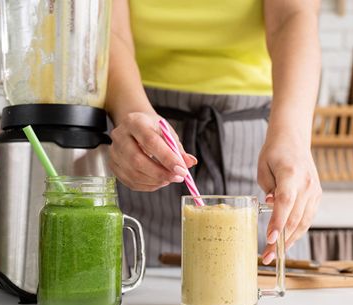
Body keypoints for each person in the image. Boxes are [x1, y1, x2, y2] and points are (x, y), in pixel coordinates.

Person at [105, 0, 322, 266]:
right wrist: (129, 112)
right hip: (143, 134)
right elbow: (109, 29)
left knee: (272, 289)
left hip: (257, 137)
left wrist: (293, 136)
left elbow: (294, 15)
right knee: (134, 291)